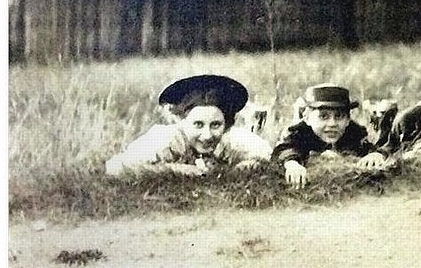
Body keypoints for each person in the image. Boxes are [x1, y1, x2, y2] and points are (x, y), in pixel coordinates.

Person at [105, 74, 273, 177]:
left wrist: (241, 168)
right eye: (198, 125)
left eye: (215, 125)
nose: (207, 135)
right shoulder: (165, 139)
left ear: (227, 125)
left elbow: (269, 157)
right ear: (181, 122)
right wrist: (175, 169)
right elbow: (114, 167)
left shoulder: (233, 140)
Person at [273, 84, 386, 188]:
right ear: (307, 117)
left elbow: (368, 146)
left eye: (339, 116)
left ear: (347, 120)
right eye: (323, 116)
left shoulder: (354, 132)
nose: (332, 124)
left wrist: (375, 154)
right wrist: (292, 163)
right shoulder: (298, 132)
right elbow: (285, 149)